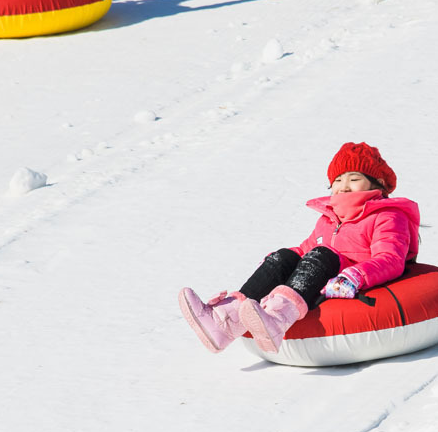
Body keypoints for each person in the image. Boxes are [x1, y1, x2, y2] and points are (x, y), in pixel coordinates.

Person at [179, 142, 420, 355]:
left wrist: (356, 275)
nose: (344, 187)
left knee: (322, 254)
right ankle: (226, 322)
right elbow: (307, 248)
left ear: (376, 183)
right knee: (286, 255)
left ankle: (277, 319)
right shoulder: (329, 217)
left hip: (353, 281)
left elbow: (390, 258)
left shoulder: (386, 216)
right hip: (324, 271)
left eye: (354, 179)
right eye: (338, 180)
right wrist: (275, 263)